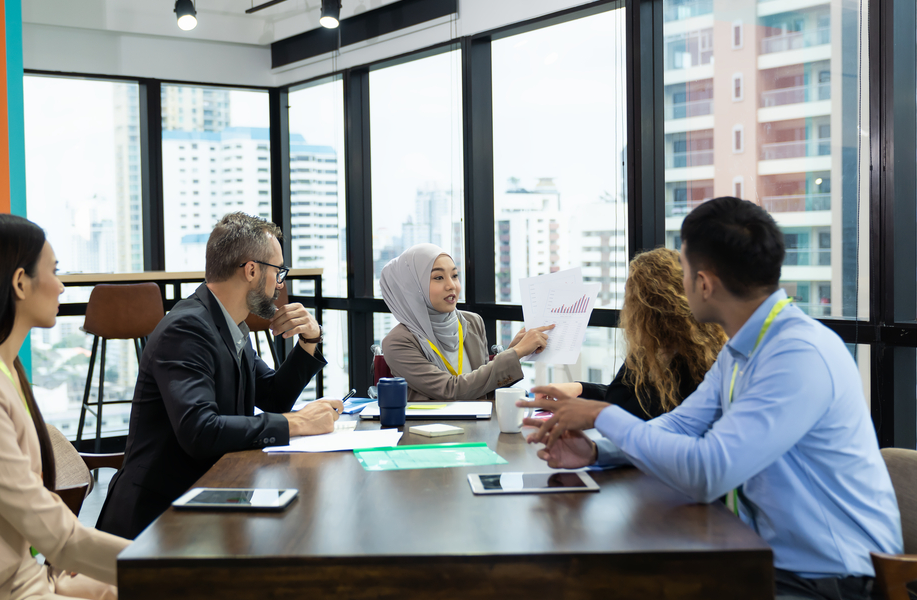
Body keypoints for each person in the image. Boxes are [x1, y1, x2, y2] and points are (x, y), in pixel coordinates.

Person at [521, 197, 903, 600]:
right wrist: (599, 453)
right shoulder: (744, 350)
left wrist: (602, 415)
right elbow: (681, 424)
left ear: (704, 283)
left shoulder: (797, 354)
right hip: (764, 558)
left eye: (684, 271)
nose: (683, 284)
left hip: (830, 581)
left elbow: (710, 472)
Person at [0, 214, 130, 600]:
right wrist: (160, 563)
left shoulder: (1, 369)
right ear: (20, 282)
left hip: (22, 577)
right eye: (54, 270)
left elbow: (43, 518)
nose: (62, 286)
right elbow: (56, 535)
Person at [96, 213, 341, 540]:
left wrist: (310, 340)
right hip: (158, 521)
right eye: (278, 271)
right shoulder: (188, 329)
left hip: (209, 497)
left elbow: (272, 396)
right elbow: (201, 431)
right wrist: (297, 422)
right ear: (252, 270)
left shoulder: (228, 324)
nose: (280, 284)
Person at [538, 247, 726, 424]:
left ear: (648, 309)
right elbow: (624, 398)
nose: (626, 309)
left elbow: (631, 411)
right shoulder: (653, 348)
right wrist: (581, 389)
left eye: (630, 298)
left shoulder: (699, 367)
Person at [380, 243, 553, 402]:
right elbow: (450, 390)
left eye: (454, 275)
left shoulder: (471, 321)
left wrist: (514, 351)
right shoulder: (398, 342)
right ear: (412, 288)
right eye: (438, 278)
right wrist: (515, 353)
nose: (451, 285)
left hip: (480, 427)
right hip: (432, 431)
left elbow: (483, 387)